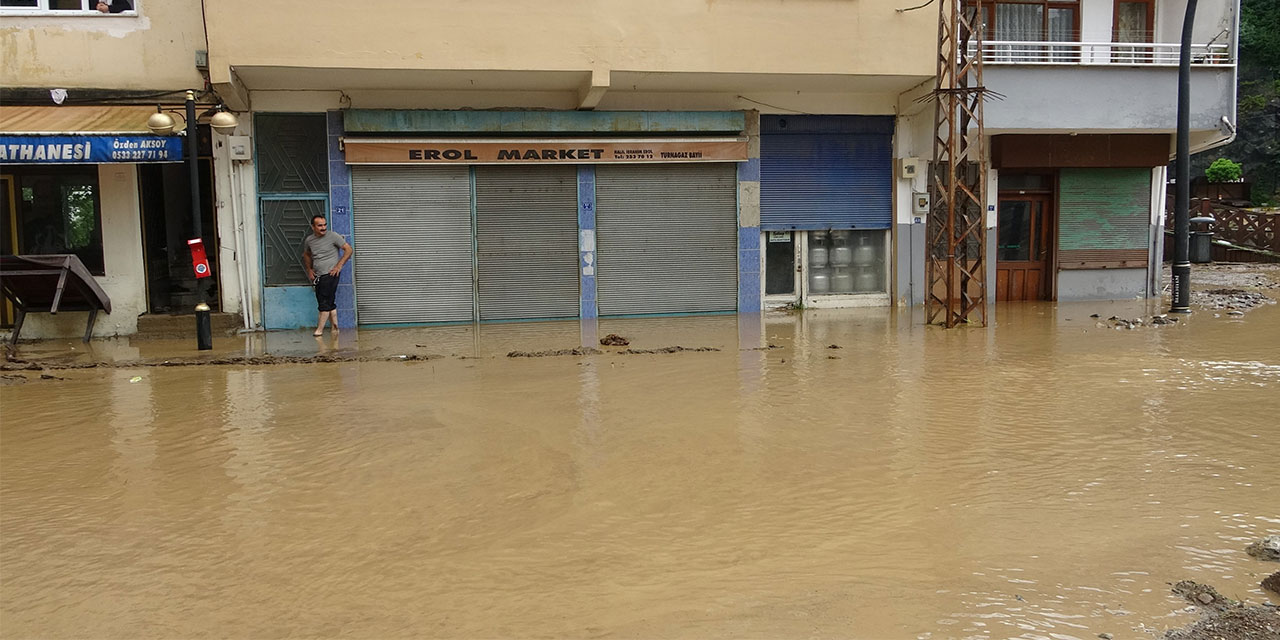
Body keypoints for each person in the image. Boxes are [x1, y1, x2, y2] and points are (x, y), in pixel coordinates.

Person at [302, 214, 353, 337]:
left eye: (325, 225)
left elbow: (348, 250)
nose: (323, 228)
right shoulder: (310, 240)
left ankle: (319, 331)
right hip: (318, 275)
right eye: (320, 225)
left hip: (330, 274)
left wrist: (338, 266)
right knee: (329, 301)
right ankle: (335, 327)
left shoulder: (333, 236)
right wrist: (309, 269)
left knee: (324, 303)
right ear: (313, 227)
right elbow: (306, 254)